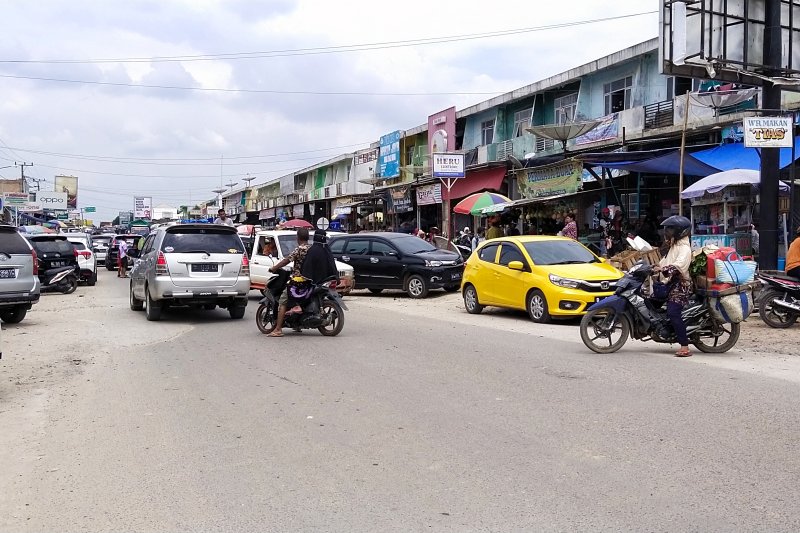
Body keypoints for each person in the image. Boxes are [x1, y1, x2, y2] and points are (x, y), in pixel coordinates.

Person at [656, 215, 694, 357]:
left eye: (671, 230)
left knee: (673, 312)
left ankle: (685, 346)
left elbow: (678, 266)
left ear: (680, 231)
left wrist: (663, 270)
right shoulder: (674, 245)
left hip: (680, 285)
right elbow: (665, 261)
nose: (668, 232)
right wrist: (655, 267)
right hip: (671, 282)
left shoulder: (685, 248)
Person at [267, 227, 311, 338]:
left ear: (298, 238)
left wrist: (274, 268)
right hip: (310, 281)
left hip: (298, 281)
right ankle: (297, 324)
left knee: (282, 301)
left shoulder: (299, 249)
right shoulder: (311, 249)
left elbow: (287, 260)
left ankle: (278, 329)